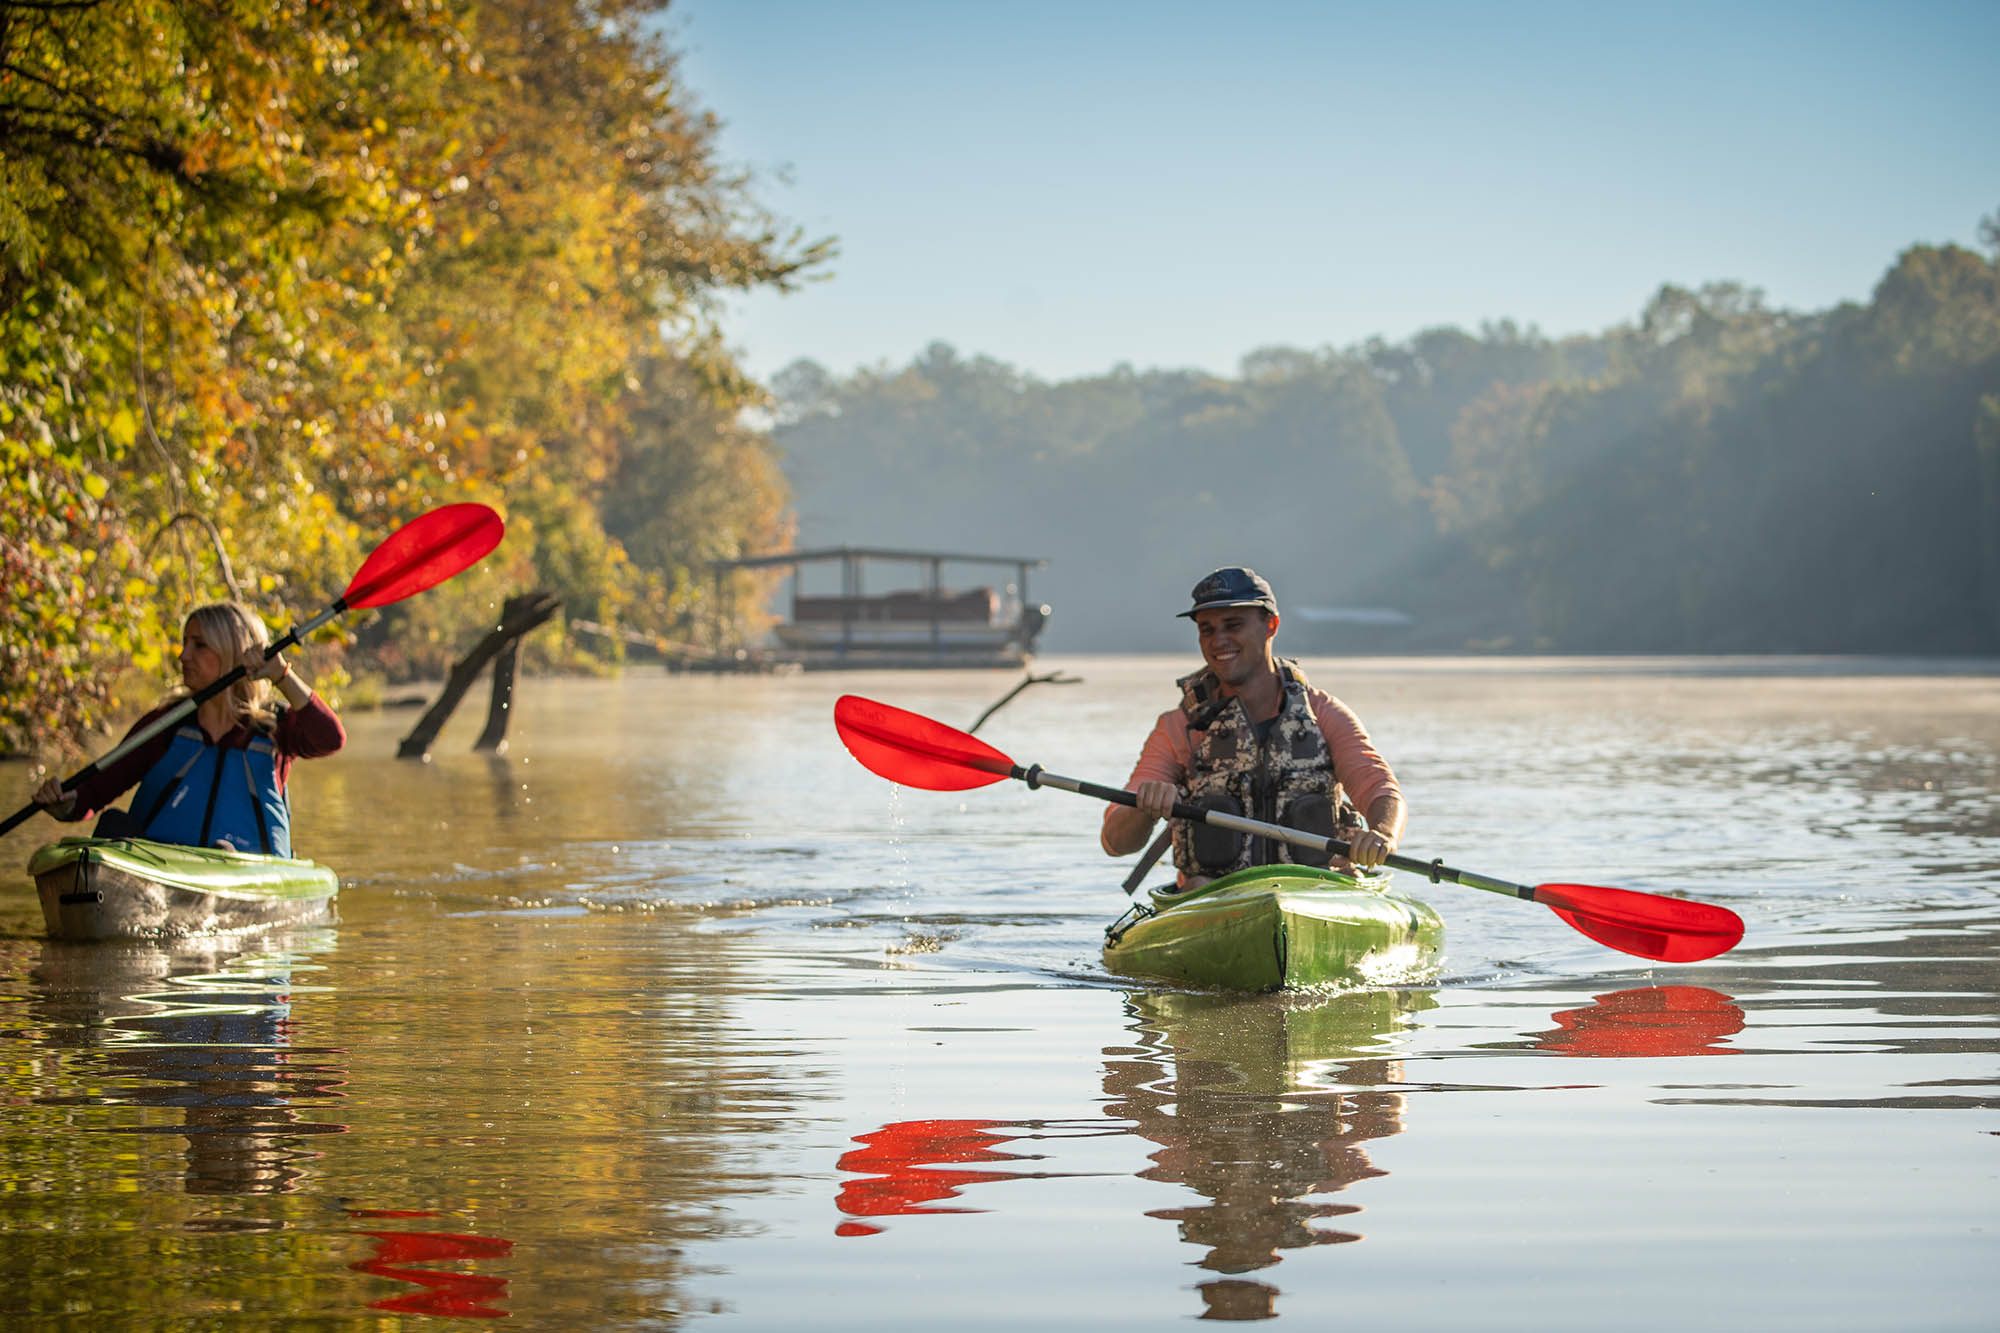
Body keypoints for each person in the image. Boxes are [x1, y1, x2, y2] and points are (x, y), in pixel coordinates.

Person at [1101, 567, 1405, 890]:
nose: (1218, 640)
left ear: (1271, 625)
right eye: (1207, 630)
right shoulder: (1179, 727)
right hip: (1216, 897)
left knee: (1347, 877)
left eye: (1233, 626)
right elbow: (1114, 841)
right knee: (1197, 884)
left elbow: (1381, 790)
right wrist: (1144, 808)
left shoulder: (1324, 714)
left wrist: (1382, 834)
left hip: (1316, 892)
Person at [32, 601, 345, 857]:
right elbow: (96, 790)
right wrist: (65, 802)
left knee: (223, 852)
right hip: (158, 870)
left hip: (241, 870)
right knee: (113, 825)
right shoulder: (165, 724)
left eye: (199, 645)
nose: (183, 655)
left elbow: (330, 738)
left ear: (231, 652)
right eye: (184, 643)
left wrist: (281, 674)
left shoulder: (275, 728)